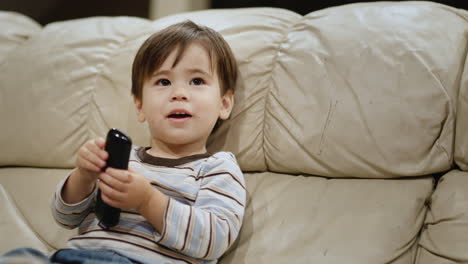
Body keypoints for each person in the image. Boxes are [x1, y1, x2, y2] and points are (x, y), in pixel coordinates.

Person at [0, 20, 245, 264]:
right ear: (140, 107)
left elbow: (213, 241)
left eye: (197, 81)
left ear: (224, 104)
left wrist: (147, 201)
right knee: (19, 257)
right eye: (163, 82)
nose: (179, 93)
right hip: (74, 256)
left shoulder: (218, 168)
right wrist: (83, 176)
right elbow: (65, 218)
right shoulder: (122, 158)